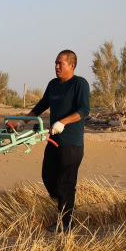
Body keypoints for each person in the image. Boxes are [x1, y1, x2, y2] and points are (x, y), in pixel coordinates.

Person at [28, 50, 90, 231]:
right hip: (53, 142)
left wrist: (62, 122)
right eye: (55, 63)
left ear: (72, 65)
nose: (56, 67)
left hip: (71, 144)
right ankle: (65, 205)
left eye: (60, 64)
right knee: (48, 176)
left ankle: (65, 223)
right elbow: (41, 106)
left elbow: (84, 110)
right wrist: (22, 121)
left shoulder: (79, 84)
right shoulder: (53, 84)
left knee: (66, 183)